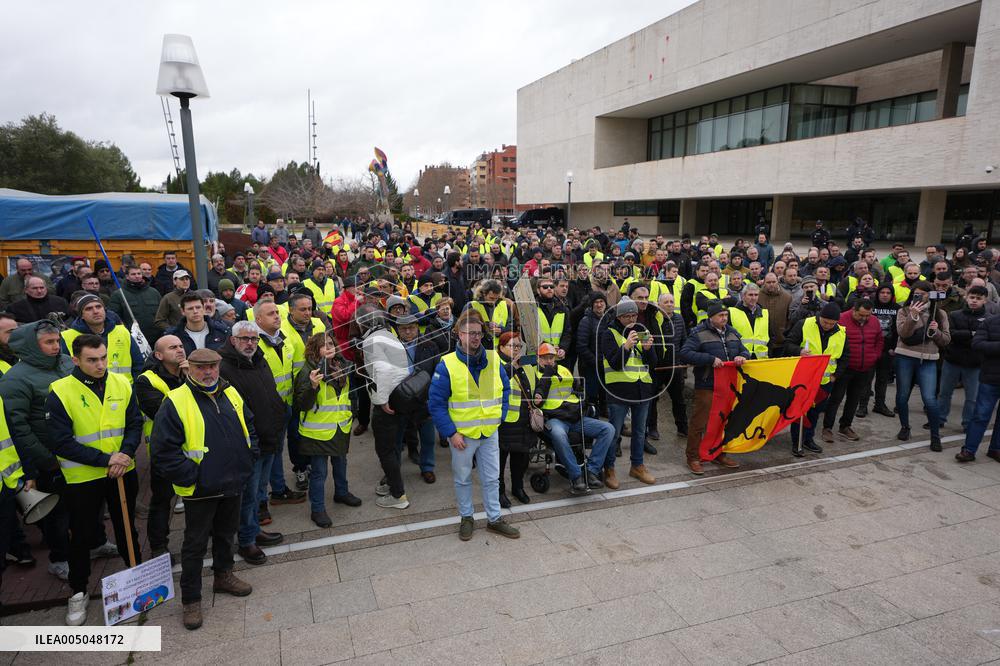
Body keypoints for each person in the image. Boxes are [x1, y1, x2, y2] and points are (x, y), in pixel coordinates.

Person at [150, 348, 257, 631]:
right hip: (201, 489)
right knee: (194, 545)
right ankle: (191, 599)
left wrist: (249, 457)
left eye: (212, 366)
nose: (208, 372)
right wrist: (194, 476)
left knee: (225, 535)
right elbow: (162, 452)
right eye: (201, 368)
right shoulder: (175, 401)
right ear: (189, 369)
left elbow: (249, 426)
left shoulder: (230, 392)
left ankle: (224, 575)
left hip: (233, 481)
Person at [46, 334, 143, 625]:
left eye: (103, 358)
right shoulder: (60, 391)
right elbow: (61, 442)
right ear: (75, 360)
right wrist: (106, 460)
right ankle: (78, 591)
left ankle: (135, 579)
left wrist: (124, 454)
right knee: (82, 534)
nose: (100, 364)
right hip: (83, 478)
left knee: (128, 528)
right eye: (92, 360)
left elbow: (134, 423)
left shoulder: (121, 383)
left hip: (123, 470)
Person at [428, 311, 519, 541]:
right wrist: (450, 433)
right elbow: (436, 404)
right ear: (459, 335)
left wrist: (500, 416)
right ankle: (467, 517)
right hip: (462, 436)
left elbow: (505, 389)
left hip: (489, 431)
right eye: (470, 333)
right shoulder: (447, 364)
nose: (475, 338)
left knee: (491, 478)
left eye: (478, 333)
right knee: (463, 478)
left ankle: (494, 519)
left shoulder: (494, 358)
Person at [0, 321, 76, 580]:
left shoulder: (67, 363)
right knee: (58, 515)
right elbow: (18, 427)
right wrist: (46, 460)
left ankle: (96, 543)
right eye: (49, 342)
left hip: (79, 451)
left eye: (57, 341)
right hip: (51, 458)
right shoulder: (15, 379)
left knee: (87, 505)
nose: (56, 347)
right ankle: (60, 559)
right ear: (33, 345)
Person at [218, 322, 286, 565]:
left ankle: (254, 530)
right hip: (249, 443)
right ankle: (246, 541)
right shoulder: (224, 367)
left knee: (259, 490)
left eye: (254, 339)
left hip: (270, 437)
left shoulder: (258, 358)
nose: (250, 343)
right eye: (245, 339)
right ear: (233, 340)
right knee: (248, 495)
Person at [294, 331, 362, 528]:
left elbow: (351, 395)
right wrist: (313, 387)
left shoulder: (342, 365)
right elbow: (302, 405)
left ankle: (341, 492)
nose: (330, 347)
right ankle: (318, 509)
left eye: (331, 344)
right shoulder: (309, 372)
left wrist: (352, 413)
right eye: (324, 345)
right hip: (318, 432)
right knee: (319, 473)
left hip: (340, 426)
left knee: (341, 463)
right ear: (315, 350)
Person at [135, 335, 187, 559]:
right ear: (158, 355)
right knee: (162, 500)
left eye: (181, 346)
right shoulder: (146, 381)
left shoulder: (191, 372)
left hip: (194, 447)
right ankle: (158, 547)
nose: (180, 350)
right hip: (164, 450)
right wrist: (189, 383)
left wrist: (189, 377)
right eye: (173, 347)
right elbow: (166, 413)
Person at [679, 301, 748, 474]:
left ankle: (719, 453)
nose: (724, 318)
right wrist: (709, 359)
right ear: (711, 317)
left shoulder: (732, 332)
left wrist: (742, 356)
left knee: (722, 421)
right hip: (707, 384)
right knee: (699, 422)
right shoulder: (698, 333)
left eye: (726, 315)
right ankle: (693, 457)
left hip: (728, 385)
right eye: (720, 315)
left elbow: (745, 350)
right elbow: (685, 353)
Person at [254, 300, 308, 508]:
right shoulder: (254, 344)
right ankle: (259, 502)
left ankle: (278, 490)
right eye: (270, 314)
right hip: (265, 411)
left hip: (284, 406)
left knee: (276, 451)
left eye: (277, 312)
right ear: (258, 319)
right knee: (265, 455)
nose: (277, 316)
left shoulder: (283, 340)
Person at [600, 297, 657, 485]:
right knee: (614, 433)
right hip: (619, 390)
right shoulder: (609, 333)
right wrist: (626, 346)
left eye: (634, 315)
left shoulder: (641, 330)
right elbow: (615, 364)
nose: (632, 319)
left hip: (642, 389)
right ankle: (609, 468)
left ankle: (637, 466)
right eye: (627, 316)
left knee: (640, 431)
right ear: (619, 316)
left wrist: (648, 350)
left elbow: (652, 363)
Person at [360, 305, 411, 509]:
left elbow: (381, 370)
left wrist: (382, 401)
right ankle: (392, 484)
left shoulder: (371, 341)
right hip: (400, 398)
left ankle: (398, 496)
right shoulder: (389, 335)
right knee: (393, 446)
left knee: (385, 450)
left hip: (387, 402)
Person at [894, 281, 951, 449]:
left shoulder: (940, 314)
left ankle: (935, 436)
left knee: (930, 399)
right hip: (905, 356)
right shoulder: (903, 311)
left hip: (928, 358)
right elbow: (903, 334)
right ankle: (905, 427)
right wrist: (913, 316)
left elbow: (946, 340)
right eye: (916, 294)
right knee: (902, 395)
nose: (919, 297)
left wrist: (936, 331)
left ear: (931, 295)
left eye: (923, 294)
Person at [784, 302, 846, 455]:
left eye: (832, 324)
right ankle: (796, 441)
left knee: (815, 411)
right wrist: (799, 351)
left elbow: (845, 357)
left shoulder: (842, 332)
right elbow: (788, 344)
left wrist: (835, 376)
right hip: (804, 380)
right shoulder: (804, 324)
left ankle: (808, 439)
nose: (828, 326)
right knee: (800, 411)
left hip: (825, 382)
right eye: (825, 322)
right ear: (820, 317)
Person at [821, 299, 882, 442]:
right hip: (845, 368)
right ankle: (827, 428)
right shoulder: (841, 319)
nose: (865, 318)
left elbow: (879, 340)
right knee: (836, 398)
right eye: (861, 315)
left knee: (854, 399)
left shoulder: (874, 321)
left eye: (868, 315)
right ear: (854, 310)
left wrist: (874, 356)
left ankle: (845, 426)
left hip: (865, 368)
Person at [394, 314, 440, 483]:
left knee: (427, 438)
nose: (408, 331)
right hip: (400, 399)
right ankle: (393, 470)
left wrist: (433, 396)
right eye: (404, 329)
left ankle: (427, 467)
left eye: (412, 327)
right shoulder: (391, 347)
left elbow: (437, 372)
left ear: (417, 327)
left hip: (424, 399)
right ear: (397, 330)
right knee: (396, 439)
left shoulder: (430, 346)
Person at [60, 294, 144, 382]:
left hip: (124, 390)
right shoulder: (67, 337)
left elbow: (138, 364)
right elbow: (66, 371)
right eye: (89, 309)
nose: (95, 311)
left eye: (98, 307)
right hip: (88, 391)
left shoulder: (122, 332)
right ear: (82, 316)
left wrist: (135, 389)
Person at [939, 285, 987, 432]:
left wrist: (967, 336)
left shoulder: (988, 319)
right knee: (944, 393)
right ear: (966, 297)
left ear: (985, 300)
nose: (974, 301)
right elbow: (951, 335)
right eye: (972, 297)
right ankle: (939, 419)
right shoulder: (955, 315)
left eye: (978, 298)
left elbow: (983, 338)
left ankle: (967, 424)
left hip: (974, 363)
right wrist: (971, 334)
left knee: (972, 397)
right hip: (953, 360)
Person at [496, 332, 534, 507]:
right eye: (512, 346)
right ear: (502, 347)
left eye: (519, 346)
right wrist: (513, 366)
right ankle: (499, 491)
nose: (516, 349)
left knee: (521, 458)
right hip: (505, 422)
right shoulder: (496, 363)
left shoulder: (525, 364)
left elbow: (535, 382)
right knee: (500, 461)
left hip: (524, 420)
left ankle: (518, 488)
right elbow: (497, 383)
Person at [648, 291, 688, 437]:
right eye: (666, 302)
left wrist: (682, 363)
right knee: (652, 399)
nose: (669, 304)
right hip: (657, 367)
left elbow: (684, 341)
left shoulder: (679, 319)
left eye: (672, 302)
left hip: (674, 366)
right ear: (659, 305)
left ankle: (683, 428)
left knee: (679, 399)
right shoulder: (653, 320)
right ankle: (652, 428)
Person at [109, 264, 162, 345]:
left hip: (155, 338)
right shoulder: (119, 295)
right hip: (132, 339)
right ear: (127, 276)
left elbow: (161, 314)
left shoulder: (154, 292)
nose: (137, 276)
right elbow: (115, 317)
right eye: (133, 274)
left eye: (139, 273)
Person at [5, 276, 70, 324]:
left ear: (46, 288)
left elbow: (69, 321)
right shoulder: (14, 308)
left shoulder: (61, 302)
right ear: (26, 290)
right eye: (34, 288)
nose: (39, 291)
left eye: (41, 287)